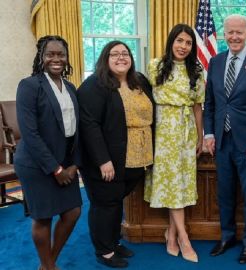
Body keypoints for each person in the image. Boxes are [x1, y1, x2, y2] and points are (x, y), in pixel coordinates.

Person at [77, 41, 154, 268]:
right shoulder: (96, 85)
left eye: (125, 53)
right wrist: (103, 161)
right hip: (106, 159)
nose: (121, 57)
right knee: (104, 203)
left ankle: (113, 241)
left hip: (136, 157)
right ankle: (104, 251)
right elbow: (89, 125)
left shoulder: (139, 81)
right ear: (105, 58)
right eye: (115, 54)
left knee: (116, 200)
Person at [203, 14, 246, 264]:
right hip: (221, 140)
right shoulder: (215, 62)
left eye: (239, 32)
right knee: (225, 193)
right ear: (224, 34)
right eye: (230, 32)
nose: (234, 37)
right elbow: (210, 103)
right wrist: (208, 133)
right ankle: (227, 235)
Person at [14, 35, 82, 270]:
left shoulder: (71, 87)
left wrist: (75, 164)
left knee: (73, 211)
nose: (56, 59)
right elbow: (29, 133)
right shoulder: (29, 86)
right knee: (43, 217)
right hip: (36, 164)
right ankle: (50, 266)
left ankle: (47, 263)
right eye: (50, 54)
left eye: (60, 54)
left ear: (66, 57)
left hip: (66, 162)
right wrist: (55, 168)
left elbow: (77, 129)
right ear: (41, 57)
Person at [143, 23, 204, 263]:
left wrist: (200, 136)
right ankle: (184, 238)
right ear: (171, 42)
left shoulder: (196, 72)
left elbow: (198, 107)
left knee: (179, 184)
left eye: (188, 43)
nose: (183, 46)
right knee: (171, 183)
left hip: (186, 131)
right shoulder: (155, 65)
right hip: (163, 132)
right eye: (180, 40)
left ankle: (171, 234)